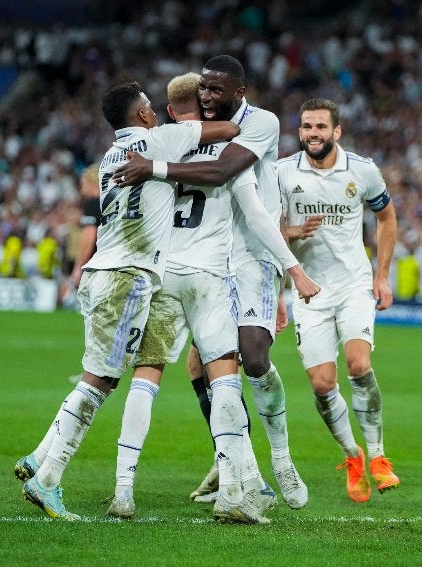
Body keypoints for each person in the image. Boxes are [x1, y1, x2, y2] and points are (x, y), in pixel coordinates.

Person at [13, 81, 238, 520]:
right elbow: (227, 129)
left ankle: (41, 459)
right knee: (99, 381)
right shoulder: (161, 139)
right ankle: (48, 479)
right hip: (128, 277)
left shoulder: (108, 159)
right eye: (151, 108)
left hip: (105, 271)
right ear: (141, 116)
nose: (157, 113)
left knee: (98, 377)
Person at [106, 72, 319, 524]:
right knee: (222, 375)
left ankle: (124, 488)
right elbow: (250, 205)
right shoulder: (223, 147)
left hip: (163, 273)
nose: (208, 100)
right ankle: (239, 485)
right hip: (211, 274)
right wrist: (294, 268)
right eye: (202, 93)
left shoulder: (156, 146)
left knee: (151, 378)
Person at [278, 98, 400, 503]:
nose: (313, 133)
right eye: (306, 126)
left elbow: (386, 216)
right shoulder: (282, 173)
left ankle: (380, 457)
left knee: (359, 364)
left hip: (353, 285)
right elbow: (264, 228)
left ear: (336, 131)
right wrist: (290, 234)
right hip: (308, 290)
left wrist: (381, 275)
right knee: (321, 383)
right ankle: (353, 456)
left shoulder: (362, 170)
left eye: (320, 127)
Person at [70, 164, 101, 288]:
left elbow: (89, 236)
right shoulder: (109, 202)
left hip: (96, 264)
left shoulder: (92, 203)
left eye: (83, 184)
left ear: (92, 182)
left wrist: (78, 268)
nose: (82, 190)